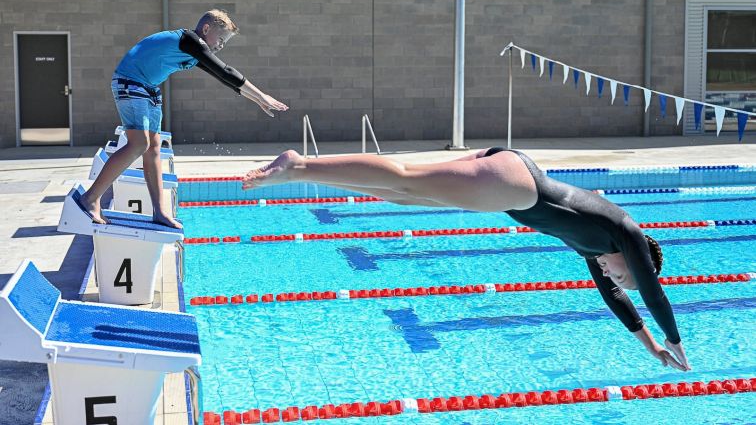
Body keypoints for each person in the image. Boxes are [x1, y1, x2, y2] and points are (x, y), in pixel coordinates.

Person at [242, 147, 691, 371]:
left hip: (509, 184)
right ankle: (298, 165)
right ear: (637, 263)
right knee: (408, 179)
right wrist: (675, 342)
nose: (616, 279)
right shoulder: (626, 233)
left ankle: (308, 172)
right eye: (624, 277)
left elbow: (620, 303)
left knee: (401, 196)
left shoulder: (597, 251)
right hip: (517, 187)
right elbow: (651, 294)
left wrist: (650, 347)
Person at [81, 9, 288, 227]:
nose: (221, 46)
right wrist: (262, 94)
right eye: (221, 39)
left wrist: (258, 100)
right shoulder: (190, 40)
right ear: (206, 29)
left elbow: (223, 77)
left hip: (149, 88)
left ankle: (160, 212)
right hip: (130, 82)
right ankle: (90, 198)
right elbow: (226, 70)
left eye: (225, 43)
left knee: (153, 149)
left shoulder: (193, 51)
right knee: (138, 144)